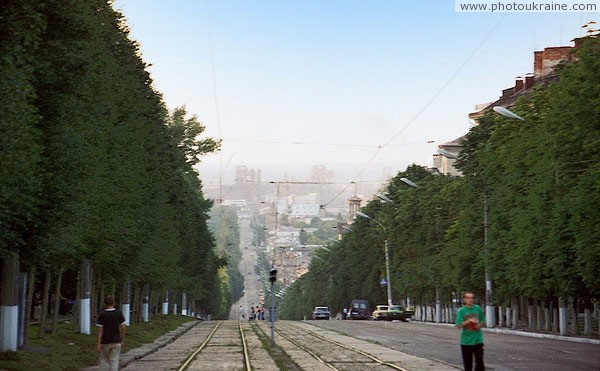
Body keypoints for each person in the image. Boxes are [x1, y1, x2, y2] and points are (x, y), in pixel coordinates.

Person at [455, 291, 486, 371]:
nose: (470, 300)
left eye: (472, 298)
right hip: (466, 341)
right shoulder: (462, 311)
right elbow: (458, 325)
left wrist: (478, 326)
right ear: (464, 300)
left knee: (480, 363)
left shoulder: (477, 308)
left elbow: (483, 320)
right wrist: (468, 321)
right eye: (468, 298)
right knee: (468, 364)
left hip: (478, 340)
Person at [97, 295, 126, 371]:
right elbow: (123, 327)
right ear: (114, 302)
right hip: (116, 341)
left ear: (104, 304)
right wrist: (122, 340)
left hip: (104, 341)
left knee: (103, 360)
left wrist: (98, 344)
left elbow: (100, 330)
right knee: (114, 360)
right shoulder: (118, 313)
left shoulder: (102, 314)